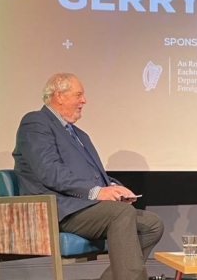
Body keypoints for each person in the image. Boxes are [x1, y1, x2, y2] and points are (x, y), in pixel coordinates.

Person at [13, 73, 164, 280]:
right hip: (55, 209)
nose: (84, 100)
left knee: (152, 224)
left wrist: (113, 187)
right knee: (121, 214)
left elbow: (94, 175)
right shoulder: (36, 123)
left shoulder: (79, 134)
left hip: (82, 207)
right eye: (78, 94)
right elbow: (50, 172)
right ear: (59, 96)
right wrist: (97, 192)